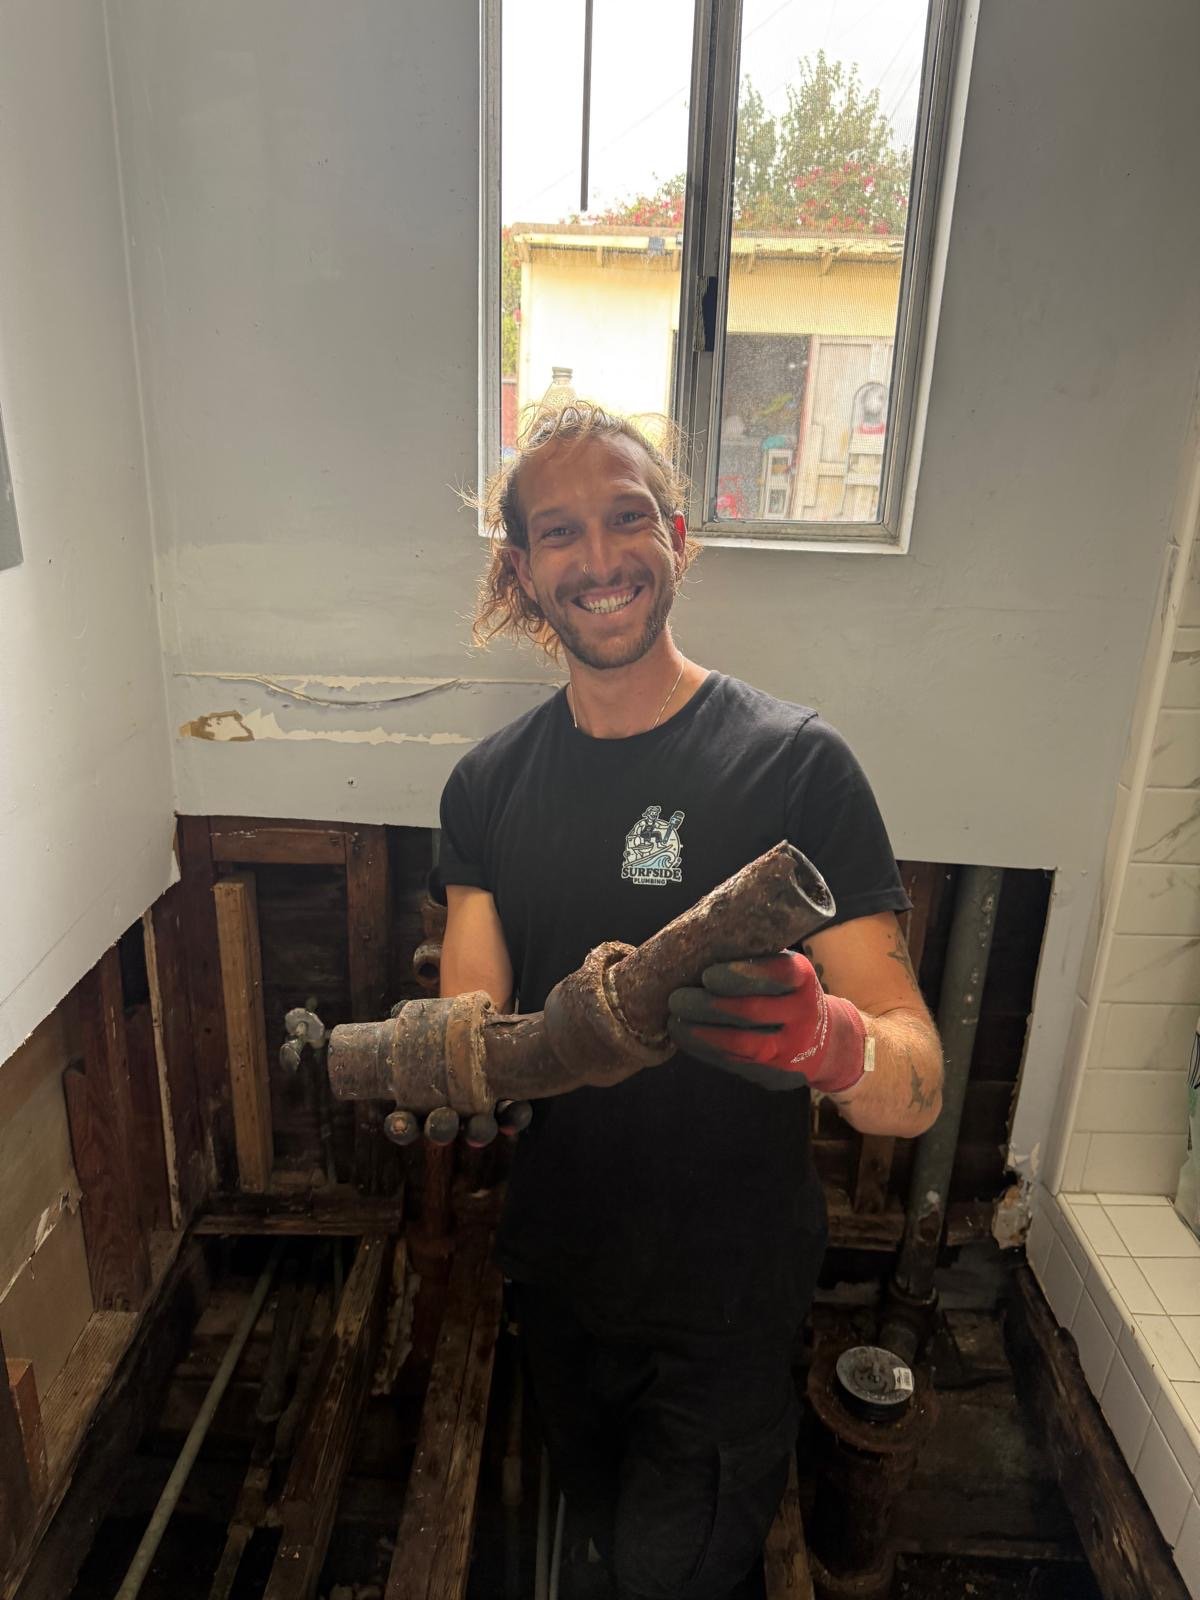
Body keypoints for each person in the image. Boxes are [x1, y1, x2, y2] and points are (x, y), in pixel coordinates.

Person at [434, 401, 943, 1600]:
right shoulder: (485, 787)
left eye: (627, 518)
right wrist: (448, 1059)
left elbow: (916, 1084)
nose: (599, 557)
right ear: (522, 569)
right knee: (600, 1533)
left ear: (677, 536)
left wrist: (833, 1042)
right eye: (559, 531)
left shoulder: (798, 765)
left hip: (725, 1299)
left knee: (675, 1572)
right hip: (560, 1272)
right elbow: (470, 1022)